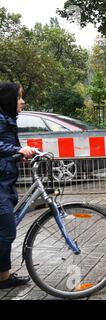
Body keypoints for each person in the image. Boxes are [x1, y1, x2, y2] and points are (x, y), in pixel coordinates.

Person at [0, 83, 35, 289]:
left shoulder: (7, 119)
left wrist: (17, 155)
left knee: (4, 230)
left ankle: (4, 276)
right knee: (6, 232)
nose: (22, 101)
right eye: (19, 98)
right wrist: (18, 150)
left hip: (5, 180)